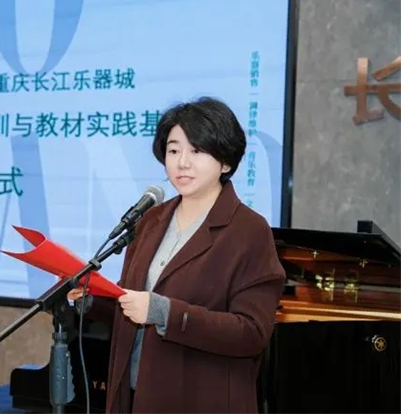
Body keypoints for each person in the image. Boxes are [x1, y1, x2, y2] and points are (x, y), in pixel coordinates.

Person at [68, 97, 286, 413]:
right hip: (137, 395)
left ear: (225, 162)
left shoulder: (249, 230)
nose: (182, 162)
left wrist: (166, 313)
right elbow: (133, 304)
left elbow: (252, 333)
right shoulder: (151, 220)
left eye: (196, 151)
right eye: (173, 151)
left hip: (200, 400)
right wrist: (92, 300)